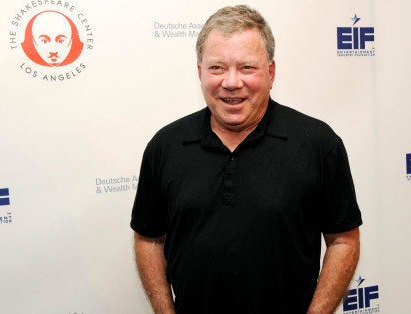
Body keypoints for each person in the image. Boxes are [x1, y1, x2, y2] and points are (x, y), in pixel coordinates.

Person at [131, 5, 362, 313]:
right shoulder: (165, 146)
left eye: (247, 68)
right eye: (217, 68)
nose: (231, 82)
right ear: (199, 72)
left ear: (271, 72)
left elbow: (343, 241)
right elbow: (149, 239)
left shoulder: (318, 143)